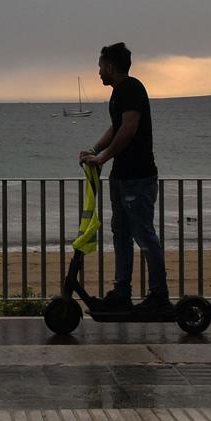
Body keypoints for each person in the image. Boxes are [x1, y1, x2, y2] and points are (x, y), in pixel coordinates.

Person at [78, 42, 171, 312]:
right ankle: (122, 291)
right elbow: (116, 127)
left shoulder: (131, 88)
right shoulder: (120, 93)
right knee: (120, 234)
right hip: (121, 177)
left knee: (143, 234)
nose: (98, 72)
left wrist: (102, 158)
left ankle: (159, 295)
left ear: (109, 66)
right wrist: (94, 150)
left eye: (99, 67)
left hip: (138, 177)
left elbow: (129, 129)